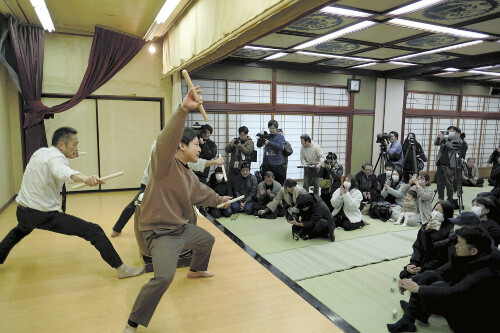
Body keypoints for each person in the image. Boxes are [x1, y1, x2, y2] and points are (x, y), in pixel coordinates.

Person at [123, 87, 232, 332]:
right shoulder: (164, 164)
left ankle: (195, 270)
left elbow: (202, 193)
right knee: (163, 277)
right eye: (196, 144)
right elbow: (165, 140)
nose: (200, 149)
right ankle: (133, 323)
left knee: (207, 239)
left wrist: (220, 199)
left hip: (181, 230)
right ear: (181, 146)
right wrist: (183, 110)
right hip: (160, 233)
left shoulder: (188, 174)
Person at [0, 126, 144, 280]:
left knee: (19, 231)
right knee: (94, 231)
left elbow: (56, 166)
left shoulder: (41, 152)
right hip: (41, 215)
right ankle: (121, 269)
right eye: (74, 144)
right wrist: (85, 178)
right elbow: (61, 170)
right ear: (61, 145)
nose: (77, 148)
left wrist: (71, 157)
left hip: (22, 210)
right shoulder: (56, 159)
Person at [388, 226, 499, 333]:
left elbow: (455, 292)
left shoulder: (486, 270)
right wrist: (409, 280)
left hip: (472, 322)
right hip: (464, 298)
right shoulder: (475, 252)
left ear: (473, 251)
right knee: (428, 275)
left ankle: (414, 312)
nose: (455, 246)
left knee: (437, 286)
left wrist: (417, 289)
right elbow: (440, 271)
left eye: (459, 243)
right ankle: (412, 315)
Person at [110, 141, 225, 238]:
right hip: (150, 184)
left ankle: (177, 233)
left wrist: (215, 162)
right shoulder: (159, 150)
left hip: (167, 186)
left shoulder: (178, 150)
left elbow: (194, 163)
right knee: (136, 204)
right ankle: (117, 228)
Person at [399, 200, 454, 279]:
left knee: (417, 281)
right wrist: (413, 263)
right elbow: (417, 247)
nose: (437, 213)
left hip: (436, 265)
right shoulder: (425, 226)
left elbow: (440, 256)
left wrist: (423, 268)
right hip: (422, 261)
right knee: (404, 274)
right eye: (436, 210)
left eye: (442, 212)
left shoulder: (449, 231)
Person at [434, 126, 463, 204]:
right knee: (439, 182)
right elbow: (436, 143)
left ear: (456, 132)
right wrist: (438, 137)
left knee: (449, 183)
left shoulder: (458, 140)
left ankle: (449, 199)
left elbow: (451, 147)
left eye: (452, 131)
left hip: (450, 164)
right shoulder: (445, 139)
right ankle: (441, 198)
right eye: (448, 131)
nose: (449, 133)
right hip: (440, 163)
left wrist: (443, 139)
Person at [259, 120, 286, 185]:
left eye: (273, 128)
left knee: (278, 183)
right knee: (265, 183)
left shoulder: (280, 137)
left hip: (277, 164)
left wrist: (269, 142)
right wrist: (260, 138)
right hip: (266, 164)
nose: (271, 130)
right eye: (270, 128)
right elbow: (259, 145)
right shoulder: (267, 136)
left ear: (276, 128)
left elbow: (280, 146)